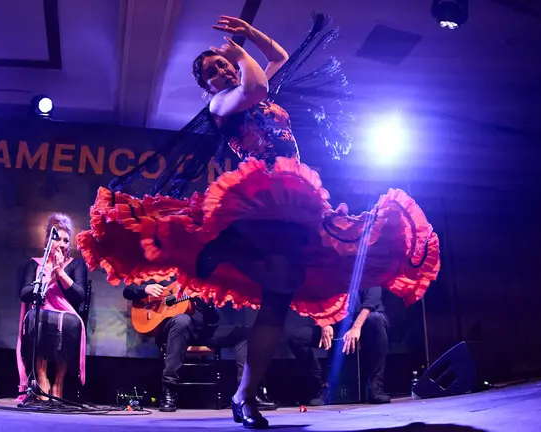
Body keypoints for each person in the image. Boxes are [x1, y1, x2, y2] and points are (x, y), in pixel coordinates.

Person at [78, 13, 440, 428]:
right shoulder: (222, 103)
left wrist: (249, 35)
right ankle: (228, 246)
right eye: (212, 71)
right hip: (263, 194)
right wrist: (238, 53)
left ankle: (244, 397)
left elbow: (279, 58)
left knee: (279, 299)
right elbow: (259, 84)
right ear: (206, 87)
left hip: (296, 196)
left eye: (221, 64)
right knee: (278, 283)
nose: (221, 71)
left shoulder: (252, 90)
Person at [123, 275, 277, 412]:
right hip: (174, 334)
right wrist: (146, 289)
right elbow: (128, 291)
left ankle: (248, 392)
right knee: (183, 320)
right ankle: (169, 390)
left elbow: (213, 319)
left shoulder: (201, 281)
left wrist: (209, 303)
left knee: (244, 333)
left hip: (202, 332)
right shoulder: (162, 274)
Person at [16, 213, 87, 401]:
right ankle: (41, 378)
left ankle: (58, 382)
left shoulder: (76, 265)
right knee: (36, 318)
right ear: (48, 240)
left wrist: (60, 273)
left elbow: (79, 296)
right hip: (41, 310)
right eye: (58, 239)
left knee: (70, 323)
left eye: (66, 240)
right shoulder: (34, 264)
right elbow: (24, 293)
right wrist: (46, 279)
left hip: (67, 313)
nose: (63, 244)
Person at [287, 286, 390, 406]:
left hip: (363, 324)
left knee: (376, 319)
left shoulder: (367, 270)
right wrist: (325, 323)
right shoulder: (331, 274)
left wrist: (356, 327)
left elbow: (371, 301)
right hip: (337, 324)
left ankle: (375, 385)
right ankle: (320, 387)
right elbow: (320, 301)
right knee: (296, 339)